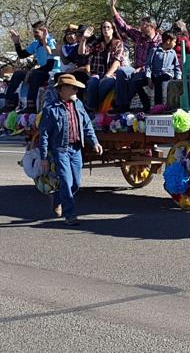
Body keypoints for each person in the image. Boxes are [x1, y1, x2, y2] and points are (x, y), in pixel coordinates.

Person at [38, 73, 103, 226]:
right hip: (60, 150)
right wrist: (44, 157)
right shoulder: (51, 109)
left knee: (76, 183)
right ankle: (70, 215)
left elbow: (87, 125)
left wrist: (94, 142)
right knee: (67, 182)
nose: (75, 91)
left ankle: (57, 198)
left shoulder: (78, 105)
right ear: (62, 90)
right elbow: (44, 135)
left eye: (76, 88)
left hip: (75, 149)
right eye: (72, 88)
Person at [110, 0, 161, 112]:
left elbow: (158, 62)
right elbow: (124, 27)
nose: (140, 27)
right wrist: (113, 8)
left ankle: (123, 105)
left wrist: (143, 68)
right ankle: (122, 103)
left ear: (151, 26)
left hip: (150, 71)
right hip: (136, 68)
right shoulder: (139, 36)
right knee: (121, 71)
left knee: (136, 78)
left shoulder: (159, 41)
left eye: (144, 24)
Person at [3, 21, 61, 114]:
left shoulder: (51, 42)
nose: (34, 35)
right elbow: (22, 55)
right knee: (18, 73)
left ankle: (31, 105)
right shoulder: (36, 44)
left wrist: (33, 71)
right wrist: (17, 43)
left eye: (36, 32)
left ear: (44, 31)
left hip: (53, 71)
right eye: (34, 32)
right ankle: (9, 103)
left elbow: (51, 63)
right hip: (42, 71)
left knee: (35, 74)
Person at [85, 20, 126, 112]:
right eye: (104, 27)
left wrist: (107, 76)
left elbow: (117, 62)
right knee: (92, 82)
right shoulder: (97, 43)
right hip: (97, 73)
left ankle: (93, 107)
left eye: (108, 27)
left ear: (113, 30)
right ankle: (91, 108)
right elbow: (82, 52)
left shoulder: (118, 43)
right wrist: (84, 38)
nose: (106, 29)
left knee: (105, 83)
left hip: (112, 74)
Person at [58, 23, 94, 100]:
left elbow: (87, 68)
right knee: (59, 76)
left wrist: (73, 70)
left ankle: (77, 102)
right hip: (77, 72)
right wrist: (60, 50)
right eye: (76, 34)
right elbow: (66, 61)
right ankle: (63, 102)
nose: (76, 36)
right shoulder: (75, 48)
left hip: (88, 75)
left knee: (77, 76)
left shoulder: (90, 47)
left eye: (78, 35)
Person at [147, 32, 182, 108]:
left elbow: (177, 67)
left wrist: (178, 78)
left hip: (168, 76)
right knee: (156, 85)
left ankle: (166, 106)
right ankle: (157, 107)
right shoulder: (154, 51)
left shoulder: (173, 53)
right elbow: (148, 65)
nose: (175, 44)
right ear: (168, 41)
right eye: (174, 42)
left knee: (165, 81)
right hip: (156, 76)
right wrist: (149, 77)